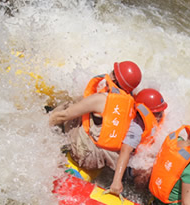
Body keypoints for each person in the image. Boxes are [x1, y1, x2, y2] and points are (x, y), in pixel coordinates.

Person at [48, 61, 163, 195]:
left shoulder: (101, 99)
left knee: (69, 107)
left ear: (113, 77)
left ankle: (63, 152)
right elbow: (126, 148)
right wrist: (117, 181)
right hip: (104, 161)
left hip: (84, 154)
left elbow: (64, 116)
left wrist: (42, 126)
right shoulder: (131, 105)